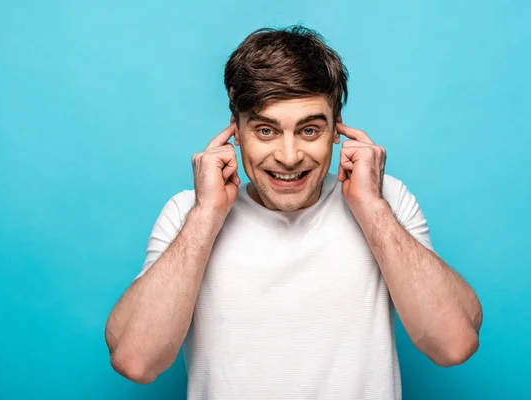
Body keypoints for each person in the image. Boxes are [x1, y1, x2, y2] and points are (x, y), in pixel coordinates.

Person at [105, 26, 483, 399]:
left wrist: (371, 208)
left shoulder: (386, 202)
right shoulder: (189, 213)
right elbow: (137, 361)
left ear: (337, 130)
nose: (288, 157)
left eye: (309, 130)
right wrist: (205, 216)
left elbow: (453, 344)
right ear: (235, 130)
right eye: (266, 131)